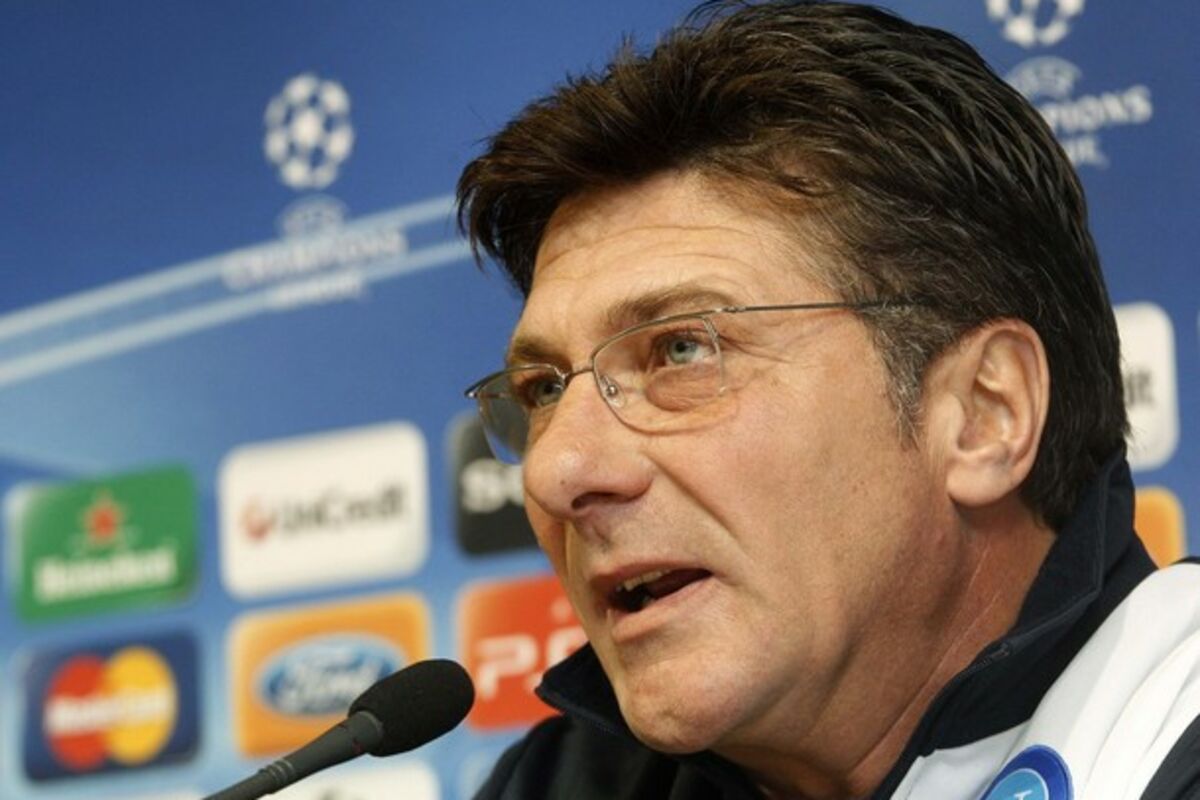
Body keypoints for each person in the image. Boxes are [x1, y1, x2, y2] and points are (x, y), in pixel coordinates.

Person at [456, 2, 1200, 797]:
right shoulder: (556, 784)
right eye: (543, 389)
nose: (555, 472)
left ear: (986, 414)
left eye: (681, 350)